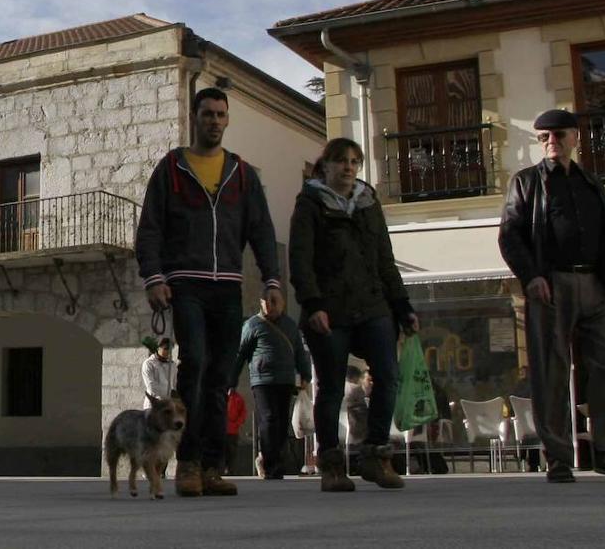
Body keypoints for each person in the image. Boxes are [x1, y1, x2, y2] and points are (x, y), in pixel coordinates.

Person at [136, 86, 282, 497]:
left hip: (228, 288)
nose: (214, 121)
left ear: (227, 120)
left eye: (221, 115)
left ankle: (214, 468)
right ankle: (188, 464)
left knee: (221, 378)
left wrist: (272, 280)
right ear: (194, 118)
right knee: (195, 364)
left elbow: (262, 231)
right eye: (207, 114)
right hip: (184, 284)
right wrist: (154, 277)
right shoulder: (171, 168)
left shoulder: (241, 172)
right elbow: (149, 229)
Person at [498, 108, 605, 482]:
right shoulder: (526, 182)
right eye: (544, 137)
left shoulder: (592, 183)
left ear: (575, 138)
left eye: (559, 135)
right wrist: (531, 277)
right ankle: (558, 456)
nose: (551, 143)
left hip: (596, 285)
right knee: (551, 369)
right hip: (551, 284)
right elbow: (510, 235)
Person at [289, 137, 418, 492]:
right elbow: (300, 260)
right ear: (325, 166)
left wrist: (403, 305)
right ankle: (331, 463)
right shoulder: (310, 203)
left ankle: (377, 455)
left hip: (373, 304)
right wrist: (312, 304)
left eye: (354, 161)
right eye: (341, 161)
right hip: (330, 308)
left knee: (387, 376)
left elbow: (384, 259)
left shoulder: (369, 203)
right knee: (330, 387)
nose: (348, 167)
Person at [235, 293, 311, 480]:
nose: (270, 305)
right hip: (262, 380)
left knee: (282, 421)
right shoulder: (253, 325)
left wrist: (305, 374)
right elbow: (240, 353)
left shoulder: (290, 325)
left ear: (282, 303)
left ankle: (275, 459)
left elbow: (299, 351)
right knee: (269, 419)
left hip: (285, 380)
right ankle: (271, 463)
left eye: (274, 301)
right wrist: (231, 380)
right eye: (266, 301)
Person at [141, 338, 175, 409]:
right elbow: (151, 387)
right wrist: (170, 393)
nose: (168, 351)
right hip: (153, 405)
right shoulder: (148, 364)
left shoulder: (172, 365)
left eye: (171, 349)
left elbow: (174, 383)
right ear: (158, 348)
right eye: (166, 348)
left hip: (168, 405)